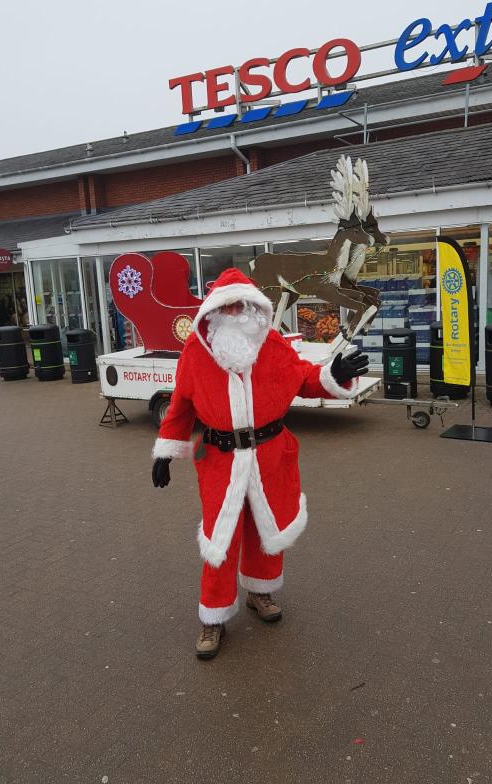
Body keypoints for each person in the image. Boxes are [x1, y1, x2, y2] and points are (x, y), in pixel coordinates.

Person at [151, 268, 368, 659]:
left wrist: (332, 375)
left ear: (254, 307)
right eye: (229, 305)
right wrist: (167, 452)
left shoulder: (271, 343)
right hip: (220, 460)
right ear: (215, 310)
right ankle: (214, 615)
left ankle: (260, 592)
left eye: (243, 305)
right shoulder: (197, 351)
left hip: (271, 456)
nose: (236, 312)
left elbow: (303, 378)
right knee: (221, 539)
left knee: (268, 529)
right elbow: (180, 404)